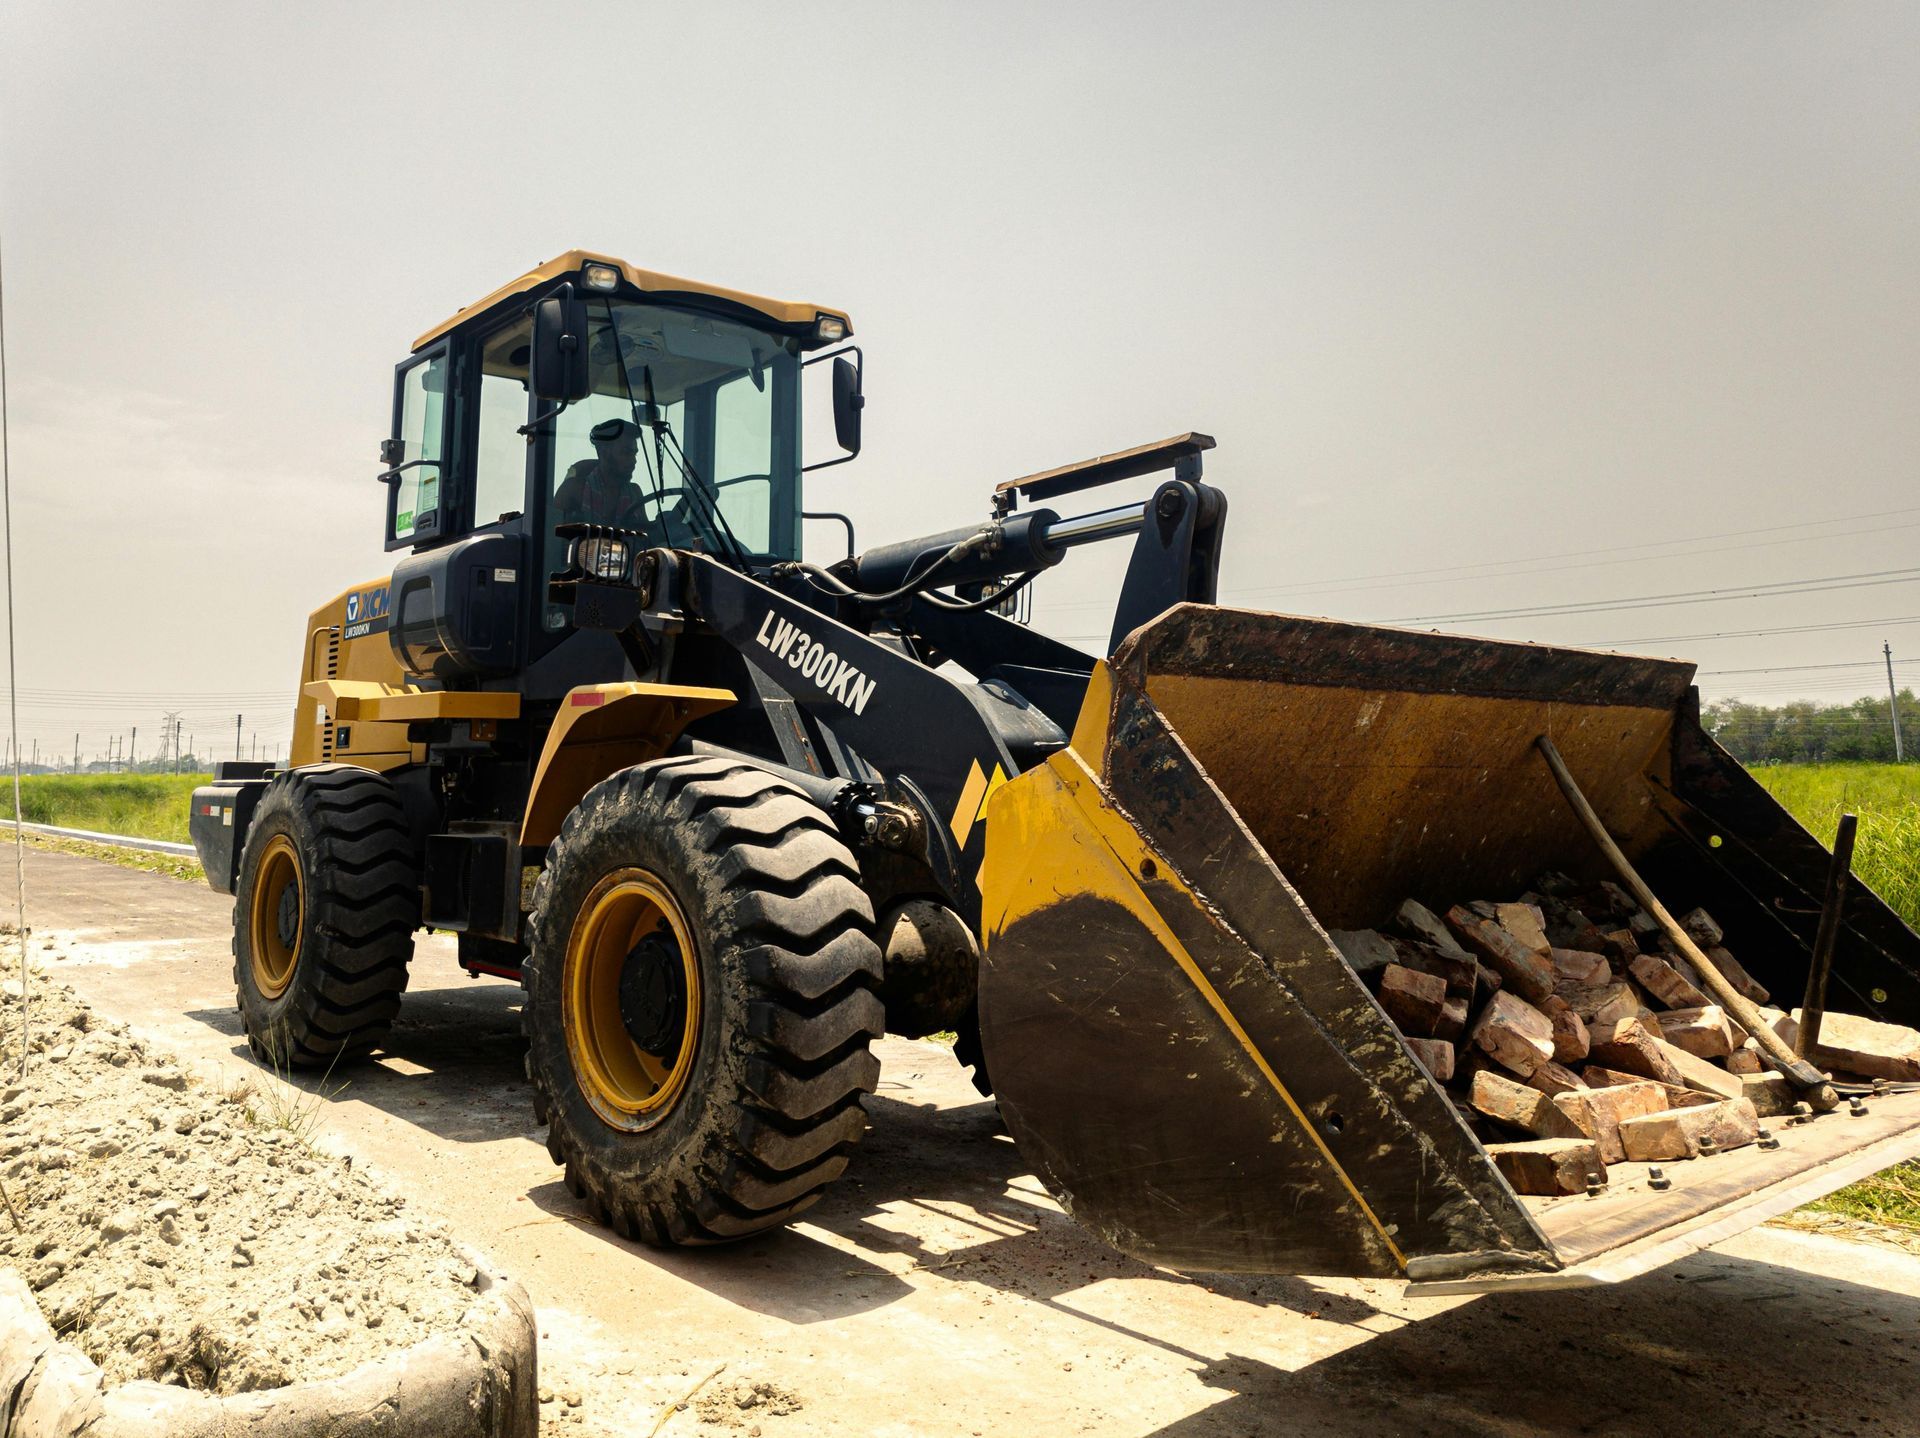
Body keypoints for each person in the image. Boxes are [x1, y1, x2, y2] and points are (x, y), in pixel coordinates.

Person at [552, 418, 649, 530]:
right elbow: (550, 538)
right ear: (603, 452)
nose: (633, 461)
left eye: (634, 454)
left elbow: (646, 539)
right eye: (626, 452)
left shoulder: (635, 493)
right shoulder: (573, 490)